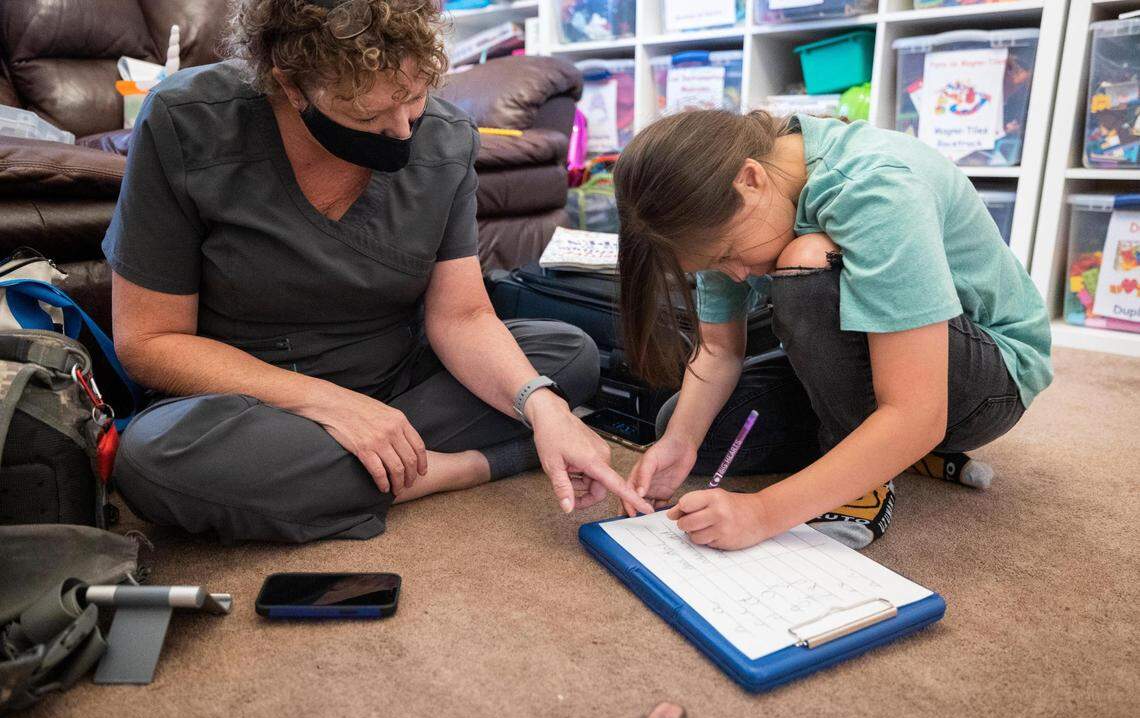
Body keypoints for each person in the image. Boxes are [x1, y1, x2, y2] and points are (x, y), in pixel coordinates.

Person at [105, 0, 648, 544]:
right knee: (155, 458)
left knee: (567, 356)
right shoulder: (186, 120)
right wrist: (330, 404)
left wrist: (541, 405)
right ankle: (459, 468)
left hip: (398, 387)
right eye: (367, 116)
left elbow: (462, 317)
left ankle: (369, 469)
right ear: (291, 86)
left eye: (413, 100)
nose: (401, 130)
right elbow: (151, 340)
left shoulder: (445, 137)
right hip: (251, 400)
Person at [613, 109, 1052, 550]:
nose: (737, 274)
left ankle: (869, 480)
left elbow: (918, 412)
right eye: (714, 265)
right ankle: (887, 451)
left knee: (807, 258)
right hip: (887, 357)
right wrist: (679, 441)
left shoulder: (875, 190)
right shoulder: (715, 207)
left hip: (987, 382)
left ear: (749, 180)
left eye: (728, 252)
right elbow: (718, 350)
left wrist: (763, 512)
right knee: (693, 433)